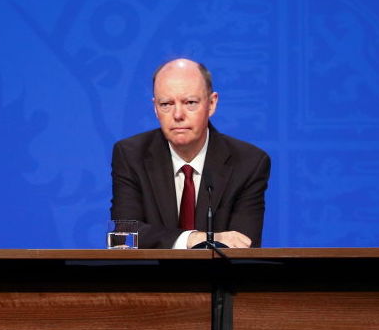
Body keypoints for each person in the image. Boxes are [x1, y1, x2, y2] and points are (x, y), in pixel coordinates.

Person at [111, 58, 271, 249]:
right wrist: (192, 239)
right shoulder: (131, 155)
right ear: (155, 108)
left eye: (190, 103)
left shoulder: (249, 163)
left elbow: (242, 244)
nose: (178, 115)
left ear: (211, 104)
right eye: (166, 104)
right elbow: (123, 236)